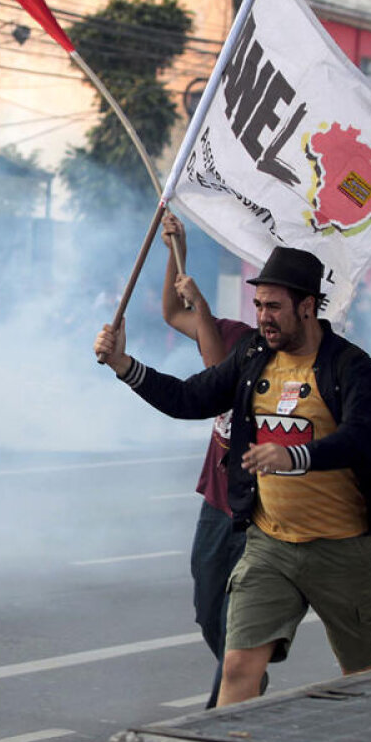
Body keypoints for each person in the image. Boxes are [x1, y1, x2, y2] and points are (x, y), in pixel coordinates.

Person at [94, 247, 371, 706]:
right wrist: (124, 366)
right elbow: (190, 399)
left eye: (274, 307)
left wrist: (293, 458)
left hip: (341, 547)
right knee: (238, 666)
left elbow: (361, 438)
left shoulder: (351, 367)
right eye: (258, 306)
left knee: (362, 668)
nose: (263, 318)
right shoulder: (254, 355)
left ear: (307, 307)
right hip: (270, 544)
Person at [159, 212, 256, 708]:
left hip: (250, 510)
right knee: (206, 607)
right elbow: (172, 315)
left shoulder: (265, 358)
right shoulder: (234, 331)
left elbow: (217, 373)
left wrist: (202, 305)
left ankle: (233, 693)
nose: (265, 311)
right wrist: (177, 250)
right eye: (261, 300)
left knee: (236, 618)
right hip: (213, 502)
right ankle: (247, 679)